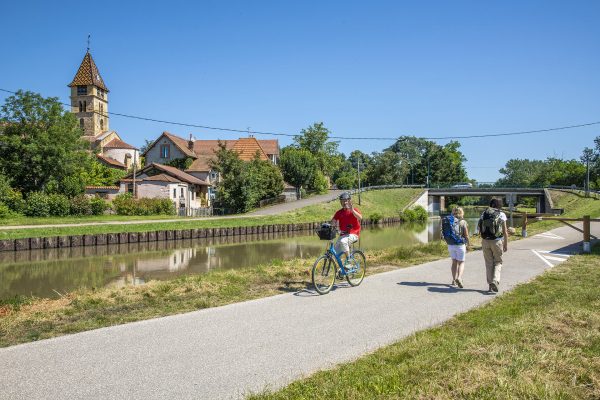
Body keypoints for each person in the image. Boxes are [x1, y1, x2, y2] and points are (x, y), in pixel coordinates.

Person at [478, 198, 509, 293]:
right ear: (499, 205)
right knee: (498, 262)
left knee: (488, 263)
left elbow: (479, 228)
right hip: (496, 241)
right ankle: (495, 281)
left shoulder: (484, 213)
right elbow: (505, 231)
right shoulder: (501, 214)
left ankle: (490, 286)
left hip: (485, 241)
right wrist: (505, 244)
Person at [331, 192, 363, 262]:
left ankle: (349, 260)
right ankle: (341, 269)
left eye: (346, 201)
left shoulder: (354, 210)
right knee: (334, 253)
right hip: (343, 235)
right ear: (340, 202)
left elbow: (360, 218)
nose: (344, 203)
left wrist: (352, 210)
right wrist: (330, 226)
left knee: (343, 241)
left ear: (349, 201)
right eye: (342, 201)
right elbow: (333, 221)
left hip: (354, 234)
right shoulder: (339, 212)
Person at [442, 207, 469, 288]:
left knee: (454, 262)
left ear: (452, 212)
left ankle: (454, 280)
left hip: (450, 244)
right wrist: (468, 244)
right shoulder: (463, 222)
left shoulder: (448, 221)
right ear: (461, 213)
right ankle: (459, 278)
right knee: (461, 262)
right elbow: (466, 235)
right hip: (460, 245)